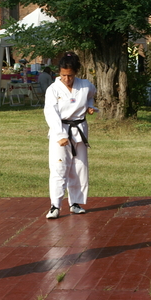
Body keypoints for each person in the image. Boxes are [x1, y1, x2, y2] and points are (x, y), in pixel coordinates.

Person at [43, 53, 96, 219]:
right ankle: (55, 205)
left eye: (70, 75)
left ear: (76, 72)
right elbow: (50, 113)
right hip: (61, 129)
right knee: (59, 167)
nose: (67, 79)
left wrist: (90, 106)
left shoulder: (85, 85)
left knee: (79, 167)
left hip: (79, 129)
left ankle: (75, 203)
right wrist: (60, 135)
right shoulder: (53, 89)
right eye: (63, 75)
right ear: (59, 72)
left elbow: (91, 96)